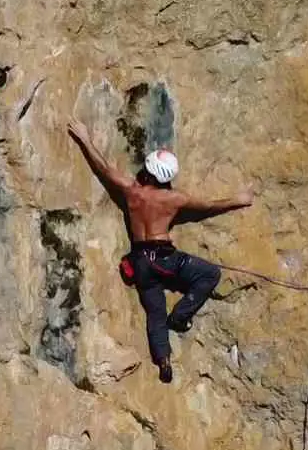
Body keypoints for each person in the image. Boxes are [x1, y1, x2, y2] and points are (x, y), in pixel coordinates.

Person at [66, 119, 253, 383]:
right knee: (210, 274)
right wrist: (239, 200)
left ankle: (164, 361)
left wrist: (85, 139)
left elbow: (104, 168)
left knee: (155, 311)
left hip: (140, 262)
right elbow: (209, 205)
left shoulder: (131, 191)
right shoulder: (174, 199)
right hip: (165, 258)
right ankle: (179, 317)